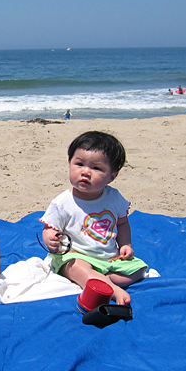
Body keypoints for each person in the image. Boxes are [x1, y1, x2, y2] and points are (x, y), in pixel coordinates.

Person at [40, 131, 148, 305]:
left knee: (139, 269)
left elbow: (122, 222)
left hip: (108, 257)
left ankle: (102, 279)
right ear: (70, 163)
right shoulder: (63, 202)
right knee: (76, 268)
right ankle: (111, 290)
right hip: (74, 255)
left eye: (96, 168)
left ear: (112, 176)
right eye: (79, 164)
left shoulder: (114, 197)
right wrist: (50, 239)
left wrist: (126, 244)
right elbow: (49, 228)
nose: (85, 172)